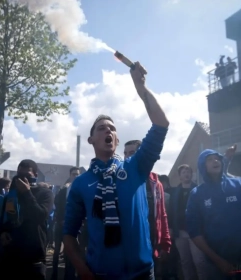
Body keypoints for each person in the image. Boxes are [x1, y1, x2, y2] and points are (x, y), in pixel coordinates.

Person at [63, 61, 169, 280]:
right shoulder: (81, 183)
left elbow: (161, 124)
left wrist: (141, 89)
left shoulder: (135, 166)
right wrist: (83, 270)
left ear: (117, 139)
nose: (108, 130)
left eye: (112, 128)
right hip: (101, 273)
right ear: (91, 139)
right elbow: (68, 234)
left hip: (142, 272)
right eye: (101, 128)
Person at [186, 149, 241, 280]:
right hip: (216, 264)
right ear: (202, 166)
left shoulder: (240, 185)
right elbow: (194, 231)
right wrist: (218, 261)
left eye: (217, 158)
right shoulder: (196, 194)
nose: (215, 161)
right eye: (209, 159)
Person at [0, 160, 54, 280]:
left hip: (33, 255)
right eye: (19, 175)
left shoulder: (45, 193)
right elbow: (3, 220)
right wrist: (2, 233)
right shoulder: (11, 194)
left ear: (35, 176)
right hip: (9, 254)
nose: (22, 179)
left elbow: (41, 215)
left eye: (27, 175)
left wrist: (27, 192)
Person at [124, 140, 171, 275]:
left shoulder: (155, 183)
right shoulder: (120, 179)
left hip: (151, 245)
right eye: (125, 154)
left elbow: (162, 214)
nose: (127, 157)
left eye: (132, 153)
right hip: (127, 247)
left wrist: (165, 243)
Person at [168, 164, 200, 280]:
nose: (186, 174)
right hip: (179, 232)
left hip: (195, 232)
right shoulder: (175, 192)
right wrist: (170, 228)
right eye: (183, 172)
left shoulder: (198, 189)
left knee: (199, 261)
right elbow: (170, 211)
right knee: (185, 261)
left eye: (188, 172)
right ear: (180, 176)